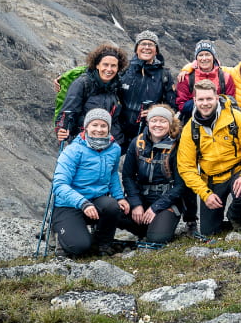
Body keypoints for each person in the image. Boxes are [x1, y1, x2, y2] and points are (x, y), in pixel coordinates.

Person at [176, 80, 241, 237]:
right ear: (194, 100)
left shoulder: (235, 117)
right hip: (211, 179)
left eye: (209, 98)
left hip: (236, 172)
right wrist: (205, 194)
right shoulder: (190, 129)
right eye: (201, 99)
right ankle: (224, 222)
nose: (205, 103)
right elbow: (186, 167)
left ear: (216, 98)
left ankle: (235, 215)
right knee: (209, 232)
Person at [51, 108, 131, 256]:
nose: (99, 129)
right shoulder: (73, 150)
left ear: (109, 128)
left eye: (103, 125)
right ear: (86, 127)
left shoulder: (114, 149)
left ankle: (102, 244)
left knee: (112, 206)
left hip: (95, 201)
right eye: (94, 125)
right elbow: (59, 185)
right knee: (79, 247)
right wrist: (83, 203)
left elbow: (112, 174)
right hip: (68, 205)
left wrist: (119, 197)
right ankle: (58, 234)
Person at [120, 104, 194, 245]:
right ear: (148, 122)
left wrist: (155, 207)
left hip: (166, 200)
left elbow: (180, 185)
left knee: (157, 239)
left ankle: (154, 228)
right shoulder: (137, 143)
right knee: (114, 211)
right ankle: (144, 228)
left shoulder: (177, 146)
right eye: (154, 121)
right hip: (141, 197)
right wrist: (136, 204)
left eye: (163, 121)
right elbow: (128, 176)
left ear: (170, 124)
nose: (157, 125)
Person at [56, 43, 129, 146]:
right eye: (105, 64)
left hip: (111, 144)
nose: (109, 69)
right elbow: (68, 112)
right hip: (84, 143)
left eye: (113, 66)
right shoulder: (82, 84)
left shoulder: (119, 86)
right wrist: (62, 129)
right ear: (97, 65)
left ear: (118, 68)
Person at [118, 30, 178, 148]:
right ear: (136, 49)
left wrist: (156, 111)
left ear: (156, 50)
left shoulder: (164, 75)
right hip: (119, 132)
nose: (146, 47)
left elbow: (172, 107)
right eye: (143, 44)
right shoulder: (124, 69)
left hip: (149, 135)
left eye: (150, 44)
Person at [174, 40, 237, 120]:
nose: (204, 58)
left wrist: (211, 102)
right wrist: (203, 103)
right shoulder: (185, 78)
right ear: (196, 58)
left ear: (213, 57)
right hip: (193, 121)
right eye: (200, 55)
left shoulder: (225, 77)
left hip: (221, 120)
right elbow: (181, 105)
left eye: (207, 54)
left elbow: (231, 102)